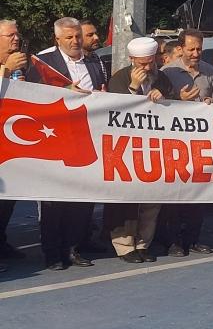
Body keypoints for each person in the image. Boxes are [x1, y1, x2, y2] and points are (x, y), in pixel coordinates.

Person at [31, 18, 107, 270]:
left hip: (87, 136)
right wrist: (65, 91)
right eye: (69, 38)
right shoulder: (43, 63)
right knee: (54, 200)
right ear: (57, 40)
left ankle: (73, 248)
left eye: (77, 36)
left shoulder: (94, 62)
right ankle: (52, 253)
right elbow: (32, 94)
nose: (75, 42)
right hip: (54, 137)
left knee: (82, 198)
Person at [105, 37, 178, 263]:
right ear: (131, 60)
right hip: (125, 149)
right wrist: (133, 89)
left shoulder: (162, 78)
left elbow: (176, 108)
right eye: (142, 64)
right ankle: (125, 245)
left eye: (150, 63)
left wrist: (164, 99)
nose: (147, 68)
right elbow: (114, 111)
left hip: (154, 147)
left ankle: (144, 242)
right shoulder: (119, 78)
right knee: (126, 200)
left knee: (151, 200)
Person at [159, 29, 213, 257]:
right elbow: (156, 106)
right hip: (174, 143)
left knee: (198, 194)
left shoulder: (210, 71)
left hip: (200, 143)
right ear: (180, 49)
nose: (196, 53)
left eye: (199, 49)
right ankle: (172, 241)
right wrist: (177, 100)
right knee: (174, 196)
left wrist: (212, 102)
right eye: (191, 49)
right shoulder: (167, 72)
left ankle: (193, 239)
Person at [0, 19, 28, 271]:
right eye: (10, 35)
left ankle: (2, 241)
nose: (16, 39)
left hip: (13, 143)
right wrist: (5, 71)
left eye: (17, 34)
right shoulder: (9, 67)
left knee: (9, 199)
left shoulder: (21, 65)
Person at [80, 19, 109, 84]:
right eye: (90, 35)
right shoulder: (69, 62)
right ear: (78, 37)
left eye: (96, 34)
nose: (96, 37)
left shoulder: (98, 59)